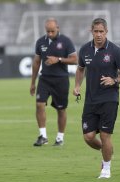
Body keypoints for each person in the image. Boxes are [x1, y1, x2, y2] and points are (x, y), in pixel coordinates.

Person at [73, 18, 120, 179]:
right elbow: (80, 69)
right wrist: (77, 86)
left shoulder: (114, 50)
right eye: (96, 31)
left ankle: (106, 169)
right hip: (90, 100)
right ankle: (106, 150)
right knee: (88, 137)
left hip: (109, 98)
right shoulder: (85, 49)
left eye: (101, 31)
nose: (98, 35)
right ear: (91, 31)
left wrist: (114, 80)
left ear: (106, 32)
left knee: (105, 136)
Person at [30, 18, 78, 146]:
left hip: (61, 80)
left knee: (61, 110)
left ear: (58, 28)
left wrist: (59, 59)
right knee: (39, 104)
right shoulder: (40, 42)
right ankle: (43, 136)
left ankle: (60, 137)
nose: (50, 33)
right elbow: (36, 62)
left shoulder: (66, 41)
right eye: (48, 31)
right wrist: (33, 82)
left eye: (52, 31)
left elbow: (75, 59)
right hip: (45, 79)